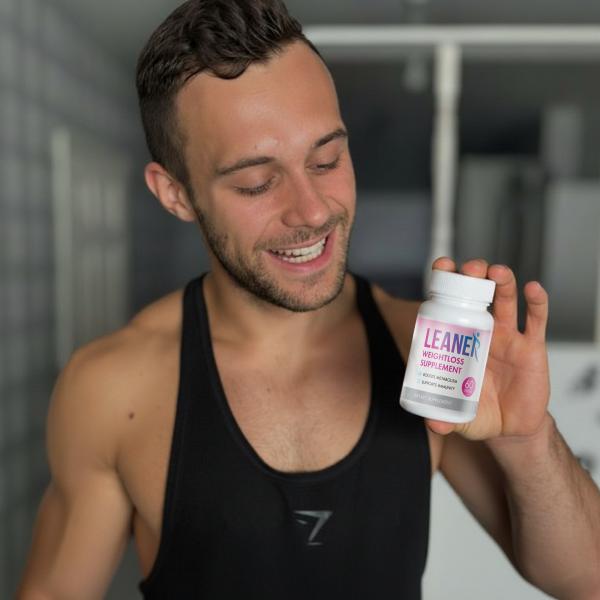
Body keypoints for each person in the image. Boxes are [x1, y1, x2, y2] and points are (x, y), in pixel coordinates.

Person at [17, 1, 600, 598]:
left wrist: (528, 440)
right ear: (175, 194)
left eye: (326, 159)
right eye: (257, 182)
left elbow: (587, 579)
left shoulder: (424, 356)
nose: (314, 210)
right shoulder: (114, 388)